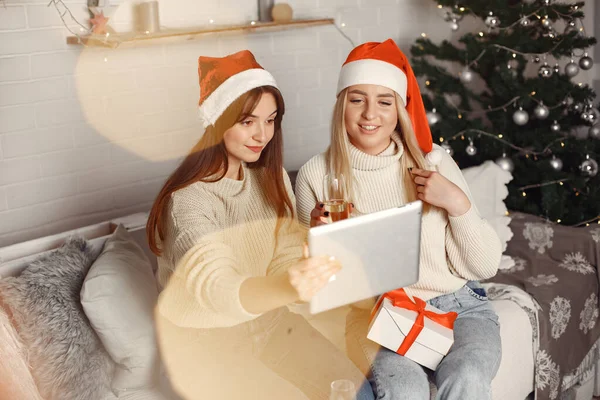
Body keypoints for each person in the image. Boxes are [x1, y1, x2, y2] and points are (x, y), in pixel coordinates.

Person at [146, 50, 375, 400]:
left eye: (270, 120)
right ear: (219, 121)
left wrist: (312, 244)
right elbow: (217, 289)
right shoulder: (187, 203)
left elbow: (282, 261)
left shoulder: (271, 178)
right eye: (248, 121)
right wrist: (289, 288)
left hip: (270, 324)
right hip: (206, 342)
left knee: (354, 392)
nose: (262, 135)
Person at [295, 39, 503, 400]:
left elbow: (485, 265)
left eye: (384, 101)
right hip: (381, 317)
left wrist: (457, 203)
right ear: (342, 106)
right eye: (357, 99)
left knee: (467, 375)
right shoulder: (316, 175)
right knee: (404, 389)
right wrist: (317, 242)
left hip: (459, 306)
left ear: (400, 109)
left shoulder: (432, 163)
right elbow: (315, 290)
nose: (369, 114)